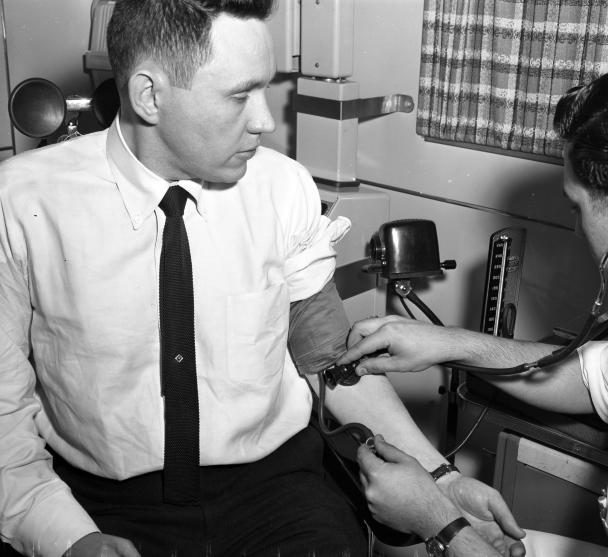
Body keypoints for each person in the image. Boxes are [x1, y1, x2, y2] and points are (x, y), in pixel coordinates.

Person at [0, 1, 526, 556]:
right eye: (239, 94)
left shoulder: (282, 188)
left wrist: (443, 481)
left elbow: (330, 362)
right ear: (149, 96)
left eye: (266, 89)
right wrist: (68, 538)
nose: (266, 120)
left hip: (274, 496)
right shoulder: (20, 203)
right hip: (100, 505)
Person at [339, 53, 608, 557]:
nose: (576, 229)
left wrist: (442, 527)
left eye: (577, 209)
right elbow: (590, 380)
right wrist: (444, 344)